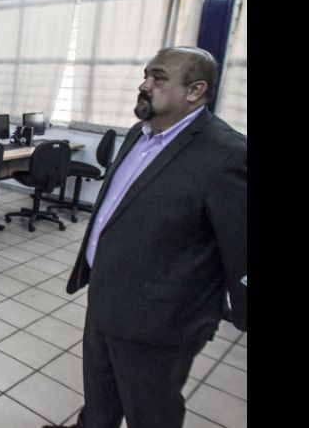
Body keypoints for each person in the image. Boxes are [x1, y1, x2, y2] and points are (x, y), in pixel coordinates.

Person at [44, 46, 247, 428]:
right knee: (99, 399)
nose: (144, 85)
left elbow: (242, 246)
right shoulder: (141, 132)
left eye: (159, 78)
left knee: (151, 412)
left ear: (195, 91)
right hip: (106, 296)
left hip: (160, 320)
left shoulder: (227, 153)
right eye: (146, 75)